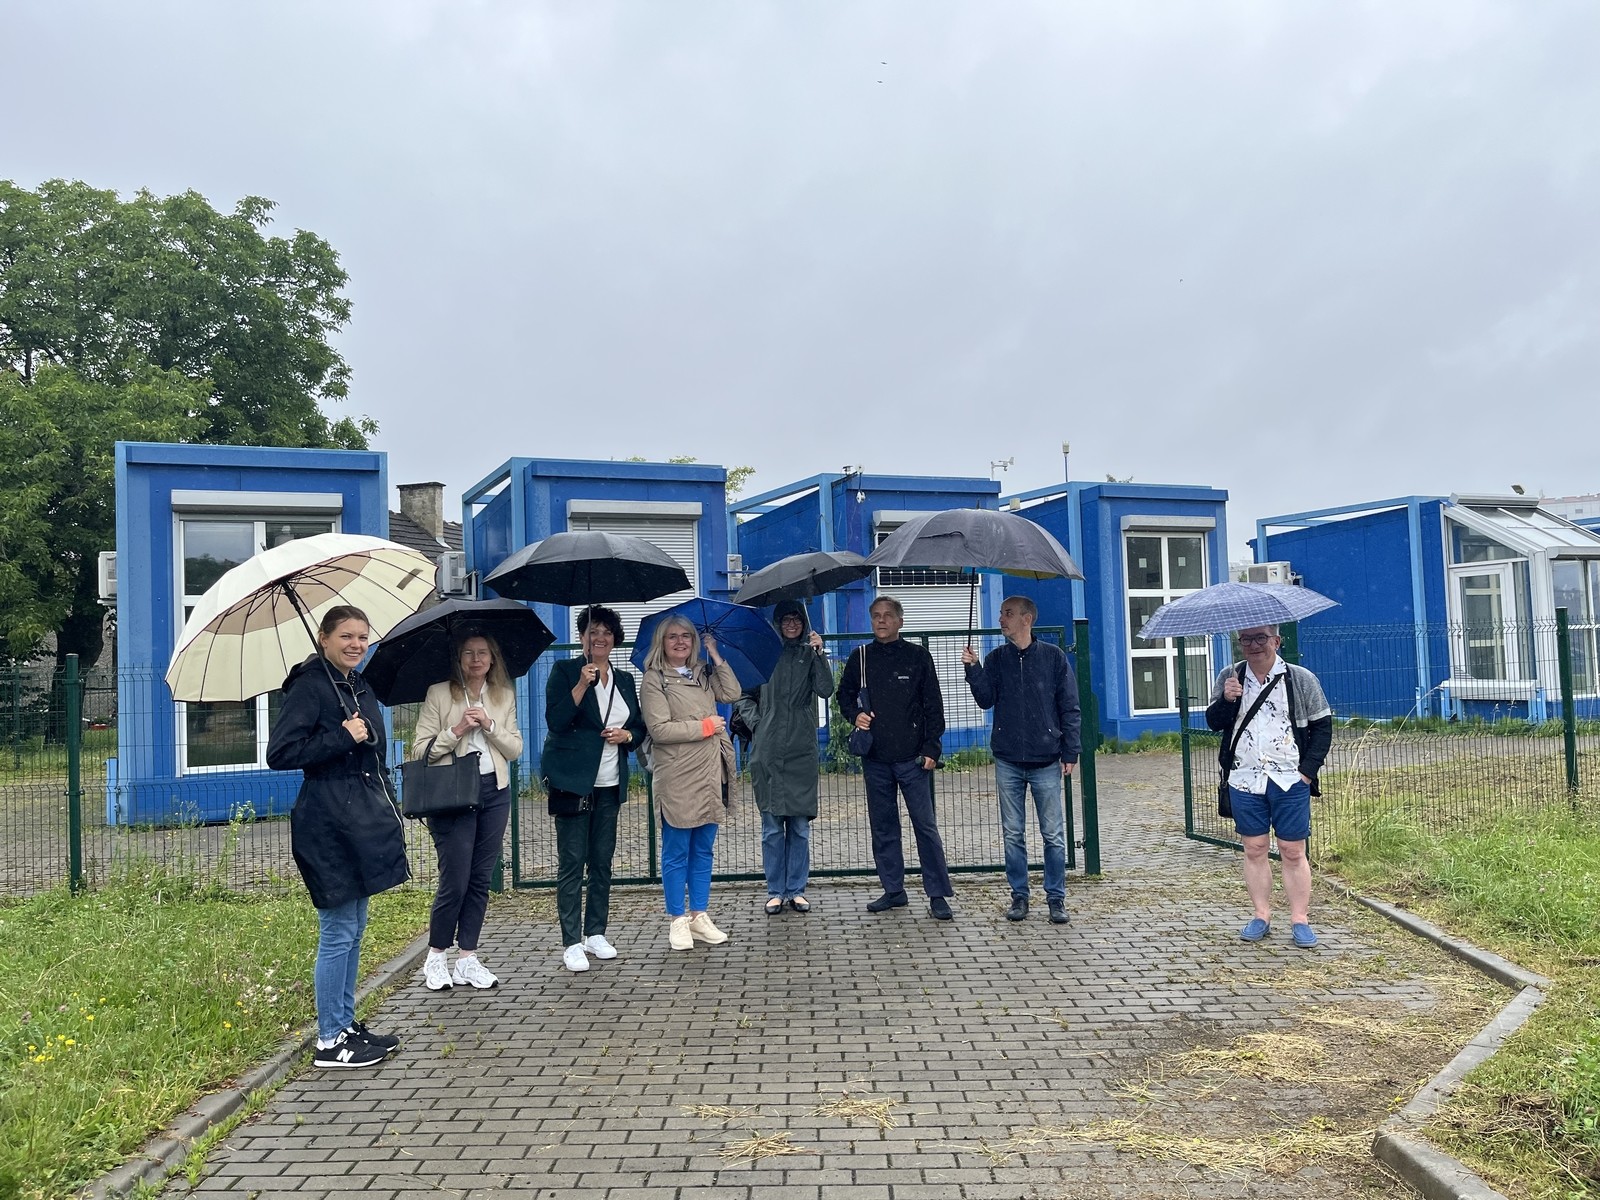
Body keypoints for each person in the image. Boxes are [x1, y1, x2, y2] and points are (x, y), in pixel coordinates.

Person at [266, 605, 408, 1070]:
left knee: (355, 928)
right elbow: (281, 752)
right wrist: (342, 736)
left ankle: (345, 1025)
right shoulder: (311, 687)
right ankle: (329, 1040)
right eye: (346, 636)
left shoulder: (356, 685)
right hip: (327, 822)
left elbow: (373, 754)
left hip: (360, 819)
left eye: (363, 637)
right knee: (338, 931)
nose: (356, 644)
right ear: (323, 638)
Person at [1205, 624, 1333, 949]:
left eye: (1261, 638)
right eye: (1246, 639)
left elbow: (1322, 727)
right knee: (1254, 848)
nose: (1254, 645)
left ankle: (1300, 919)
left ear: (1276, 641)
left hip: (1289, 779)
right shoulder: (1230, 676)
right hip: (1244, 777)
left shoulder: (1300, 678)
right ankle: (1261, 915)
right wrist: (1226, 699)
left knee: (1292, 850)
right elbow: (1214, 722)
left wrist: (1307, 773)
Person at [410, 631, 524, 990]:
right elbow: (419, 751)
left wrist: (489, 725)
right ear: (458, 659)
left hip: (494, 791)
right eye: (469, 653)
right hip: (453, 795)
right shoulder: (439, 694)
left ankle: (467, 958)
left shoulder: (503, 695)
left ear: (492, 659)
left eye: (483, 653)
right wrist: (456, 729)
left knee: (479, 879)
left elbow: (515, 749)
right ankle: (436, 956)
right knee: (455, 879)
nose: (476, 660)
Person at [961, 595, 1080, 925]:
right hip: (1009, 759)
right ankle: (1019, 895)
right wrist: (973, 669)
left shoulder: (1053, 658)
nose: (1002, 619)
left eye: (1008, 614)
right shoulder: (997, 658)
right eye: (1002, 613)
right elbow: (986, 700)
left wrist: (1070, 750)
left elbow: (1070, 707)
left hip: (1046, 759)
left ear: (1027, 619)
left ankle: (1056, 898)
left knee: (1053, 834)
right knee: (1013, 833)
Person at [541, 606, 647, 973]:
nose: (599, 638)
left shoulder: (625, 679)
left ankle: (595, 933)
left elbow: (639, 726)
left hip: (610, 782)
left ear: (615, 639)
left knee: (602, 861)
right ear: (581, 637)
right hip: (573, 781)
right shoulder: (565, 671)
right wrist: (582, 684)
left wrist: (627, 735)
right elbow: (555, 721)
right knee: (572, 862)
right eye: (592, 631)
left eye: (606, 632)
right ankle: (571, 941)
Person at [837, 595, 955, 920]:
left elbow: (934, 705)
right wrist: (855, 715)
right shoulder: (861, 657)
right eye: (876, 615)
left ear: (900, 621)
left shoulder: (918, 657)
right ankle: (893, 890)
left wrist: (932, 748)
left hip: (913, 759)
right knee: (883, 827)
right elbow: (844, 695)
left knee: (925, 827)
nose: (881, 620)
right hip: (875, 758)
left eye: (888, 615)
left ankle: (937, 894)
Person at [639, 615, 742, 950]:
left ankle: (699, 915)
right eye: (672, 637)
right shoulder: (655, 679)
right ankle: (677, 919)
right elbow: (659, 730)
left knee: (703, 848)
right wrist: (706, 727)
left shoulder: (703, 673)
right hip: (678, 775)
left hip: (711, 772)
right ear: (661, 642)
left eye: (686, 636)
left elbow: (733, 692)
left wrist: (715, 654)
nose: (680, 642)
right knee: (677, 850)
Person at [734, 600, 835, 916]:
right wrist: (758, 722)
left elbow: (826, 689)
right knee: (772, 827)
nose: (792, 624)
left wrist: (820, 654)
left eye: (797, 619)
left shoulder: (809, 653)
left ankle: (797, 890)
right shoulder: (764, 655)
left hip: (801, 750)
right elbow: (741, 694)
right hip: (767, 750)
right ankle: (776, 891)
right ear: (777, 624)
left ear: (804, 623)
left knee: (800, 827)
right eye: (786, 619)